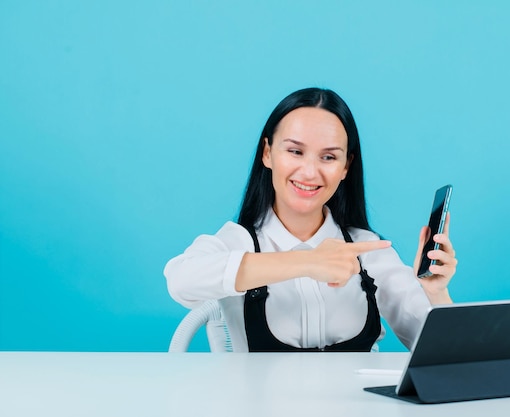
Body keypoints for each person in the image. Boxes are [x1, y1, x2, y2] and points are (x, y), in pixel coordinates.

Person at [164, 87, 457, 352]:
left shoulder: (366, 249)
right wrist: (308, 262)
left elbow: (445, 354)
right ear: (267, 153)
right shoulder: (239, 241)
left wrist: (436, 292)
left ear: (346, 167)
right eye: (295, 151)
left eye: (328, 157)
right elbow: (180, 280)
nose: (309, 172)